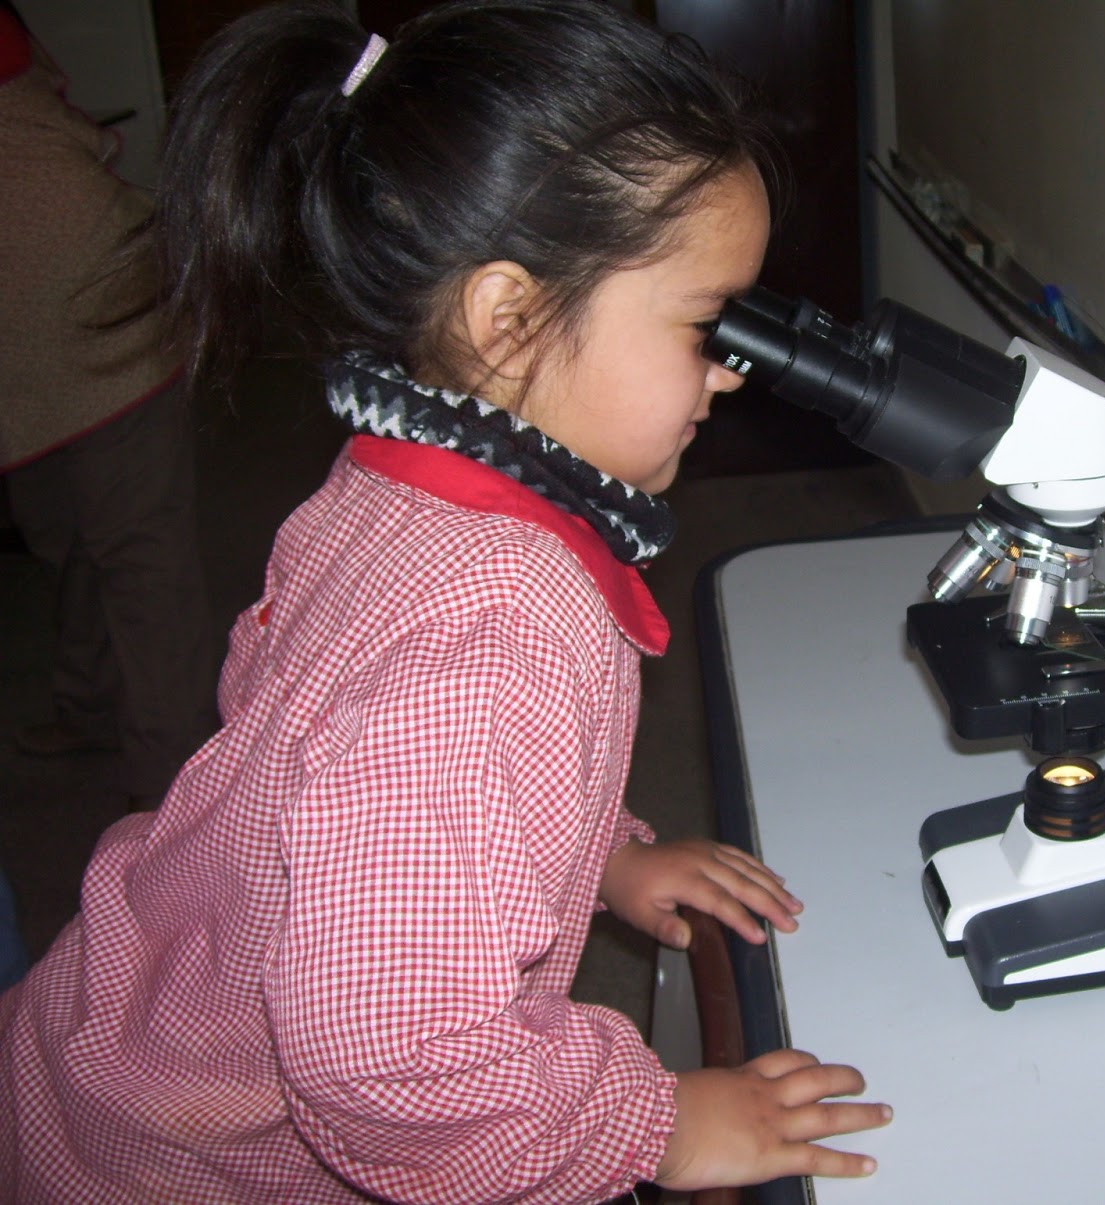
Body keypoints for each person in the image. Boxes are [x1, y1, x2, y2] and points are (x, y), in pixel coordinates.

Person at [0, 2, 890, 1201]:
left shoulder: (400, 470)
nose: (731, 368)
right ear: (507, 315)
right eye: (701, 323)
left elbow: (342, 769)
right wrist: (655, 1123)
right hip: (182, 1161)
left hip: (121, 1022)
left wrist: (599, 852)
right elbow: (394, 1063)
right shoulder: (496, 633)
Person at [0, 0, 216, 811]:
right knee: (61, 527)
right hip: (25, 329)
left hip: (91, 291)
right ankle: (90, 704)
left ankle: (176, 781)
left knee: (136, 545)